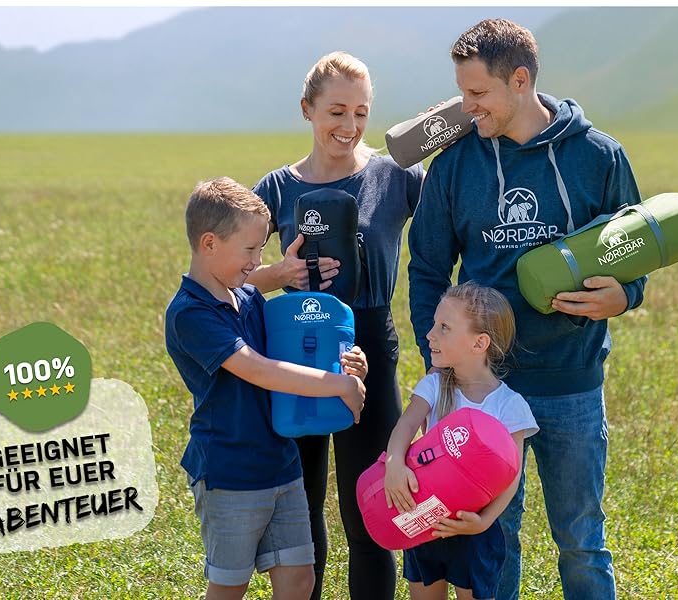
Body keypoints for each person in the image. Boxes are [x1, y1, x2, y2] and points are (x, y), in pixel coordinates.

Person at [408, 19, 645, 599]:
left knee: (582, 538)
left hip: (572, 385)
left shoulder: (600, 156)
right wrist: (440, 363)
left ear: (520, 81)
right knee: (493, 540)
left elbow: (634, 255)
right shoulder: (455, 164)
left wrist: (625, 296)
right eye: (461, 92)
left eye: (478, 94)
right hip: (484, 390)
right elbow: (428, 271)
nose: (465, 108)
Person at [249, 51, 425, 598]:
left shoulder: (397, 176)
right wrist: (280, 273)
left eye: (361, 113)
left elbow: (455, 219)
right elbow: (227, 277)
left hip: (370, 342)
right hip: (295, 347)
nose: (349, 127)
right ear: (307, 109)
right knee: (302, 513)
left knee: (370, 506)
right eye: (336, 112)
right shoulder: (276, 189)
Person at [164, 176, 368, 600]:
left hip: (280, 462)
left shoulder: (248, 297)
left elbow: (296, 348)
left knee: (299, 580)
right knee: (229, 587)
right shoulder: (190, 314)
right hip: (230, 469)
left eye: (260, 249)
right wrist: (336, 386)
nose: (256, 259)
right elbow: (257, 369)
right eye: (250, 250)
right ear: (209, 244)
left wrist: (348, 363)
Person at [382, 283, 538, 600]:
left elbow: (511, 476)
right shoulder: (435, 385)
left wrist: (483, 522)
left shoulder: (510, 406)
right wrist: (394, 462)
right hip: (425, 518)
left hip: (472, 529)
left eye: (444, 328)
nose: (430, 335)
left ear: (479, 343)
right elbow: (406, 425)